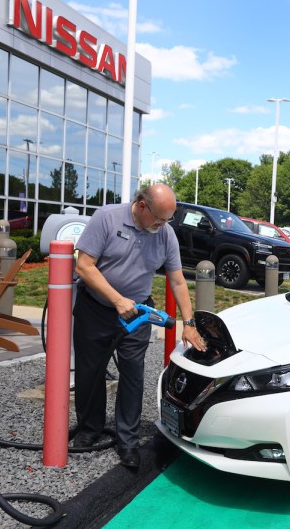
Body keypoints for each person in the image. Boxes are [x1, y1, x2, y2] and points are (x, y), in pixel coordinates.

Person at [72, 183, 206, 469]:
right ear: (141, 205)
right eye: (159, 217)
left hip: (138, 313)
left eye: (168, 219)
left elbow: (178, 280)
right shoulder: (106, 219)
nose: (163, 224)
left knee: (133, 375)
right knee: (90, 371)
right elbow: (84, 266)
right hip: (96, 308)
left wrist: (189, 322)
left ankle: (128, 442)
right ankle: (89, 429)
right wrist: (117, 299)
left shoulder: (165, 234)